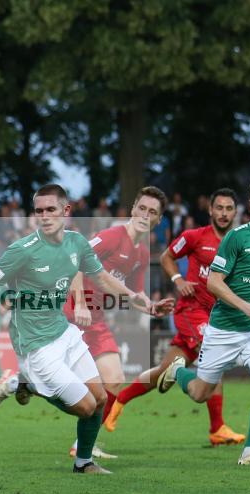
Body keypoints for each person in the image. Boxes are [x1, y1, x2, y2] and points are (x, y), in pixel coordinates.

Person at [0, 184, 170, 475]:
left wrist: (137, 299)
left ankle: (83, 463)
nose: (44, 216)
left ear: (66, 211)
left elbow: (103, 278)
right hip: (36, 344)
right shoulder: (22, 250)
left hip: (66, 333)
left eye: (51, 210)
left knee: (102, 397)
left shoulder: (77, 243)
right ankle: (27, 383)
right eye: (39, 211)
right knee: (84, 406)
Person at [156, 176, 250, 467]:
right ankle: (178, 373)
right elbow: (213, 281)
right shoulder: (237, 237)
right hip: (223, 328)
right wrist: (244, 305)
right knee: (200, 393)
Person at [106, 188, 245, 446]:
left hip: (216, 316)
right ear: (210, 210)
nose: (224, 213)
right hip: (192, 311)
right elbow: (167, 256)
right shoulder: (195, 236)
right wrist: (178, 279)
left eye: (229, 209)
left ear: (235, 212)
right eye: (219, 208)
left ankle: (120, 400)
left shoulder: (240, 243)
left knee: (161, 371)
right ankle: (217, 427)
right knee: (216, 357)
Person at [59, 186, 177, 457]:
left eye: (153, 212)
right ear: (133, 208)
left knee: (114, 379)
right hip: (69, 312)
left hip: (95, 318)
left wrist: (151, 306)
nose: (146, 215)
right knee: (56, 382)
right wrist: (80, 302)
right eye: (142, 208)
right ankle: (18, 383)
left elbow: (135, 293)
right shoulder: (113, 236)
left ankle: (83, 447)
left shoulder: (143, 253)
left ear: (159, 221)